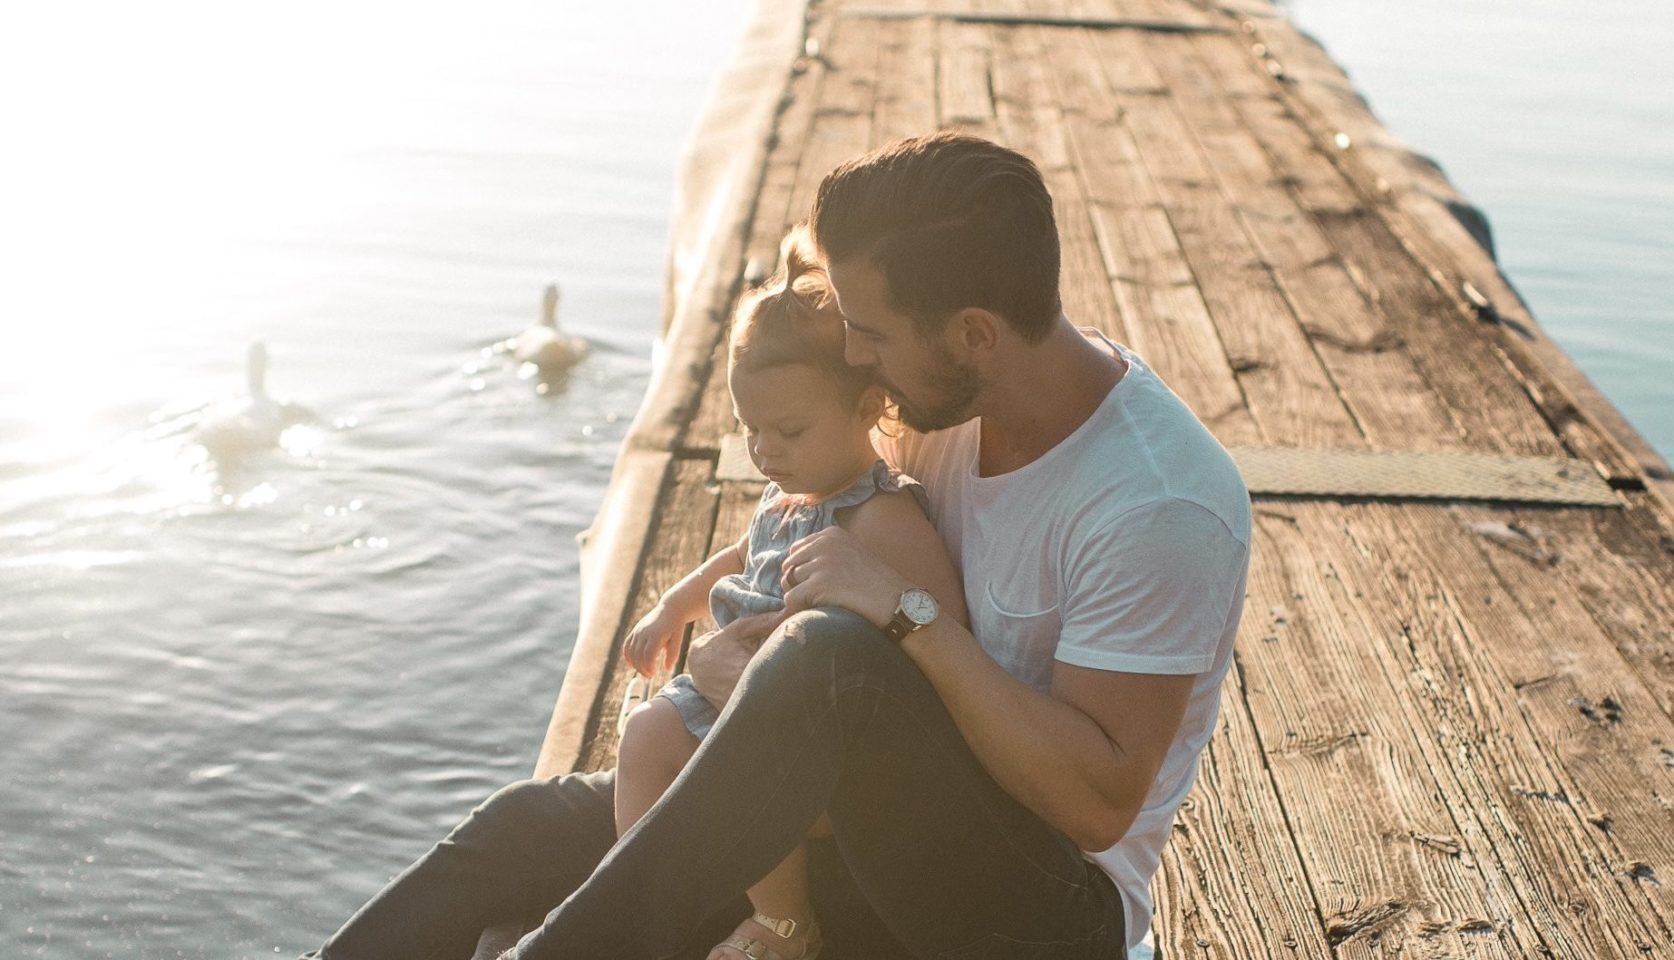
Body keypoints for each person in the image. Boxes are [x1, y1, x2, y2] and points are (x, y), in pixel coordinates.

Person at [300, 132, 1250, 960]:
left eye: (869, 334)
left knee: (828, 658)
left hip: (1036, 914)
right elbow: (812, 525)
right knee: (525, 831)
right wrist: (731, 657)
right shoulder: (942, 401)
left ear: (973, 335)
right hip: (859, 824)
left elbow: (1094, 804)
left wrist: (906, 616)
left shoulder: (1156, 504)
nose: (853, 361)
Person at [614, 227, 967, 960]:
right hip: (732, 685)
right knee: (643, 735)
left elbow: (943, 629)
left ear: (870, 408)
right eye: (749, 431)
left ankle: (784, 921)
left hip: (811, 725)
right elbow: (737, 557)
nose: (765, 451)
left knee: (740, 769)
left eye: (789, 429)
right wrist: (671, 607)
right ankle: (642, 899)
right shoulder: (787, 498)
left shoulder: (880, 515)